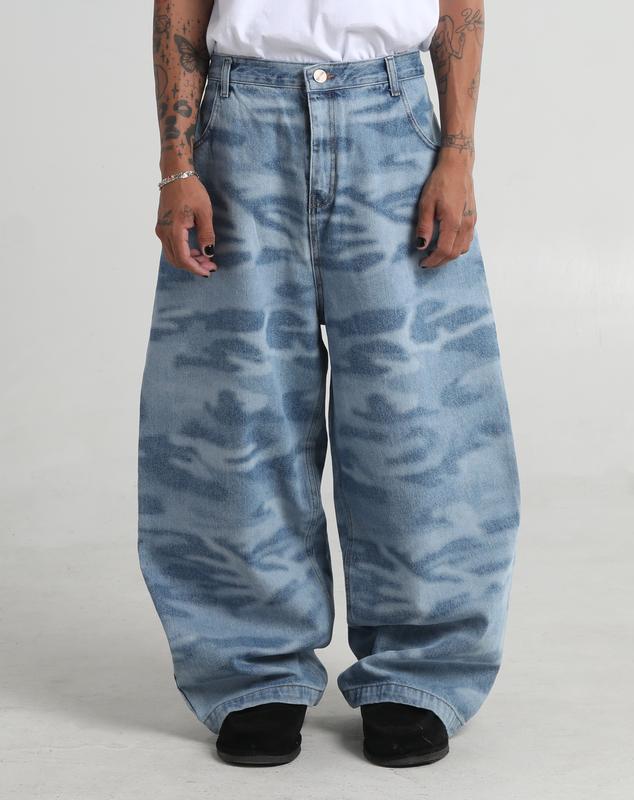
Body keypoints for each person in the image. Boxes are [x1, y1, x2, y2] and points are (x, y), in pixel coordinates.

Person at [139, 0, 520, 768]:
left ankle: (420, 670)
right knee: (236, 414)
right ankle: (253, 667)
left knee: (419, 413)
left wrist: (457, 153)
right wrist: (177, 165)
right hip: (241, 124)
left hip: (392, 119)